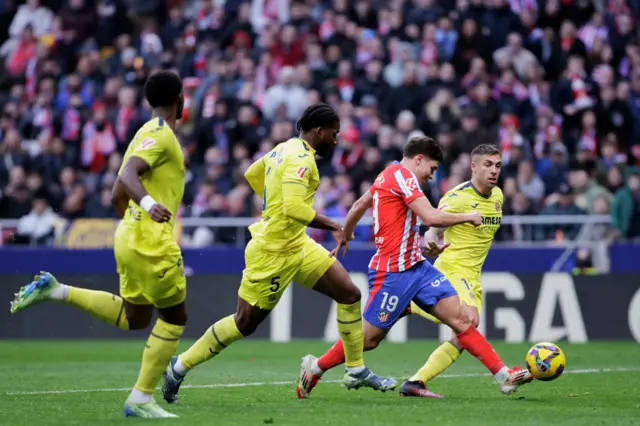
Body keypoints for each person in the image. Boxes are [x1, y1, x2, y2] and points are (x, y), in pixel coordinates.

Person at [162, 103, 396, 404]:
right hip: (272, 252)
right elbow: (294, 208)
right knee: (244, 323)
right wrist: (333, 225)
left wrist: (272, 205)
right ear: (319, 131)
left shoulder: (283, 149)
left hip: (296, 243)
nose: (336, 141)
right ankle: (179, 366)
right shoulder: (302, 160)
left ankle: (355, 369)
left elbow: (252, 174)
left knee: (349, 294)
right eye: (334, 134)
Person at [9, 70, 188, 418]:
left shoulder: (143, 132)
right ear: (180, 98)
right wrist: (150, 208)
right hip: (152, 243)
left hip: (128, 236)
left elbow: (116, 193)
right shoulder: (162, 136)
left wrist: (132, 223)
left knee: (136, 317)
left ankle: (57, 290)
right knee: (175, 317)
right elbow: (127, 175)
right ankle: (140, 399)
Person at [296, 139, 532, 398]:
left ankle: (503, 376)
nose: (432, 176)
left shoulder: (387, 175)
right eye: (431, 169)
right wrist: (467, 216)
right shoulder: (402, 177)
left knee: (463, 320)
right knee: (370, 339)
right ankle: (316, 367)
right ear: (418, 159)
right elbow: (430, 217)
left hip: (418, 267)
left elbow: (359, 205)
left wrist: (344, 233)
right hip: (393, 273)